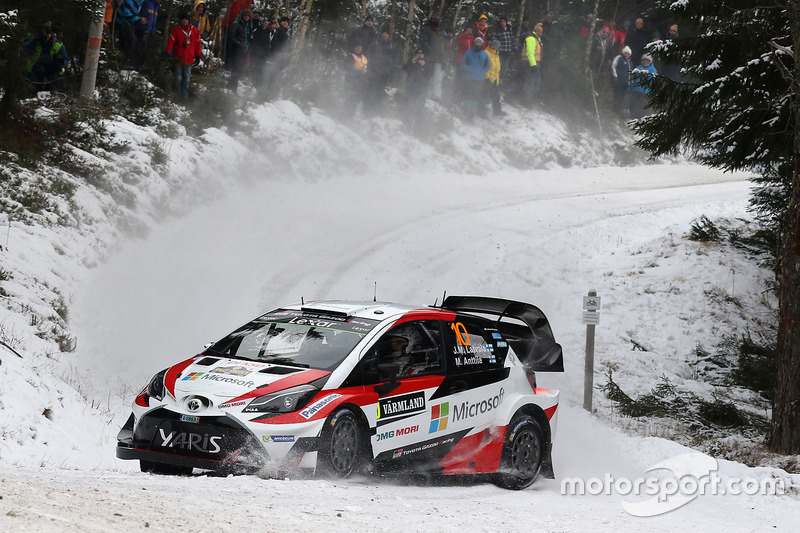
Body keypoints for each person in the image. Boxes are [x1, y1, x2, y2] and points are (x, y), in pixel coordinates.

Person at [165, 12, 202, 98]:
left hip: (189, 59)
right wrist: (168, 51)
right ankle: (178, 95)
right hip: (178, 58)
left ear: (189, 20)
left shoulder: (195, 31)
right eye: (182, 19)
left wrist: (198, 56)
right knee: (178, 77)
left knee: (186, 79)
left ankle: (185, 97)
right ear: (180, 20)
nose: (184, 21)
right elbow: (171, 41)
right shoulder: (176, 30)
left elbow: (198, 44)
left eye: (186, 19)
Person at [24, 25, 69, 93]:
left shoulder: (59, 45)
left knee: (53, 80)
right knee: (38, 73)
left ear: (49, 35)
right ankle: (37, 91)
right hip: (39, 65)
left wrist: (61, 62)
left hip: (54, 67)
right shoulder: (36, 42)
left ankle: (49, 93)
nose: (43, 40)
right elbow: (25, 48)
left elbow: (66, 59)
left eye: (44, 38)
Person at [364, 27, 396, 111]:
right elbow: (367, 56)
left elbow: (394, 62)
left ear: (389, 35)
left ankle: (377, 111)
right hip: (374, 71)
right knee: (370, 90)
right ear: (381, 34)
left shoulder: (392, 46)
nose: (384, 35)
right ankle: (366, 110)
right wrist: (368, 68)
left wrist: (392, 74)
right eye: (383, 33)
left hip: (384, 73)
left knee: (380, 92)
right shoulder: (375, 43)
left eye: (386, 33)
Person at [402, 48, 432, 132]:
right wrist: (412, 63)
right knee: (408, 108)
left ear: (424, 55)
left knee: (419, 110)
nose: (419, 56)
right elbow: (404, 68)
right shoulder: (412, 62)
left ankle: (418, 130)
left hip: (421, 90)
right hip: (410, 89)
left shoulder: (427, 63)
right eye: (418, 54)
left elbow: (430, 74)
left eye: (421, 54)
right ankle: (406, 126)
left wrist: (424, 65)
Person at [460, 36, 490, 119]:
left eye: (480, 42)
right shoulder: (468, 53)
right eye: (477, 42)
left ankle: (472, 113)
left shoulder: (484, 54)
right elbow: (463, 64)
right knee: (468, 94)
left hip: (479, 78)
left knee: (475, 96)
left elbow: (487, 65)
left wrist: (483, 71)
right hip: (469, 77)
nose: (478, 44)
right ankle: (466, 111)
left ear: (482, 44)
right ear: (474, 43)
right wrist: (469, 69)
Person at [418, 15, 444, 100]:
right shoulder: (427, 29)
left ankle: (427, 93)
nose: (435, 21)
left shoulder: (437, 32)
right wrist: (430, 50)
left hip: (434, 57)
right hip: (426, 55)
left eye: (437, 20)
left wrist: (438, 55)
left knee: (430, 75)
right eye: (434, 20)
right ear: (430, 20)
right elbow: (423, 41)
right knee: (425, 74)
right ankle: (422, 92)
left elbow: (438, 45)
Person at [227, 9, 251, 91]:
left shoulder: (247, 26)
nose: (247, 17)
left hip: (244, 51)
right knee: (235, 69)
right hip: (236, 50)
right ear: (242, 16)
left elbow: (247, 38)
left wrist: (248, 45)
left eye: (248, 16)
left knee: (240, 69)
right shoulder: (237, 24)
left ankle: (232, 87)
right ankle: (232, 88)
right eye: (245, 16)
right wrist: (239, 44)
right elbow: (231, 36)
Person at [113, 0, 144, 65]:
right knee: (130, 40)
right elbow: (126, 13)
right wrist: (139, 19)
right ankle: (123, 61)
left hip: (128, 23)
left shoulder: (139, 2)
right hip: (121, 21)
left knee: (130, 41)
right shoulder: (130, 1)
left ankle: (124, 61)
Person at [628, 53, 657, 119]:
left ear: (650, 61)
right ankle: (633, 118)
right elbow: (632, 78)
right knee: (633, 105)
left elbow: (653, 81)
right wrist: (630, 88)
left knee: (643, 107)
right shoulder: (638, 67)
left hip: (645, 92)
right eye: (644, 60)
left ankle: (641, 119)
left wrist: (652, 91)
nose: (645, 61)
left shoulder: (652, 70)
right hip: (635, 90)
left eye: (647, 60)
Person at [490, 16, 517, 86]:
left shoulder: (509, 30)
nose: (502, 23)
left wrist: (515, 49)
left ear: (506, 22)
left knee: (505, 68)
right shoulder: (497, 30)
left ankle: (501, 82)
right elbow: (493, 40)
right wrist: (495, 48)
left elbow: (513, 40)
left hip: (508, 52)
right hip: (500, 52)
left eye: (504, 21)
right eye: (501, 22)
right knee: (498, 67)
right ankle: (496, 82)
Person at [133, 0, 159, 70]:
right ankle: (134, 67)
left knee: (143, 52)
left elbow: (152, 19)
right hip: (141, 31)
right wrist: (142, 27)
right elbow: (142, 15)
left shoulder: (155, 6)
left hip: (148, 32)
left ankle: (137, 68)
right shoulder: (147, 3)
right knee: (138, 50)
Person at [521, 23, 542, 105]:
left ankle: (530, 99)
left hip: (534, 63)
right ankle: (526, 100)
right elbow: (530, 53)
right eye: (538, 31)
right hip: (529, 63)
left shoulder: (537, 39)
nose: (540, 33)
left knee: (534, 82)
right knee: (529, 82)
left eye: (541, 32)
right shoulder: (531, 38)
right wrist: (533, 65)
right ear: (535, 31)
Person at [610, 46, 633, 117]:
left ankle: (619, 110)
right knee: (617, 96)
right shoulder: (619, 58)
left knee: (622, 97)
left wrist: (630, 82)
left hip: (626, 84)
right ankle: (615, 110)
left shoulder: (630, 62)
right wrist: (615, 76)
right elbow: (613, 66)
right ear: (623, 52)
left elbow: (631, 73)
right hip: (618, 82)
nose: (627, 55)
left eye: (628, 54)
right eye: (626, 53)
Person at [483, 40, 503, 116]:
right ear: (491, 45)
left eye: (497, 46)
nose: (495, 47)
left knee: (496, 96)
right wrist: (487, 76)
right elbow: (484, 66)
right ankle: (482, 112)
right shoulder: (486, 53)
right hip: (488, 79)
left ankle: (497, 112)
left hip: (495, 79)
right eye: (494, 45)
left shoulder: (496, 54)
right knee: (484, 96)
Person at [344, 43, 369, 107]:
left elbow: (367, 67)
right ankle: (346, 114)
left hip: (362, 81)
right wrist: (360, 71)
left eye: (360, 47)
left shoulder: (363, 57)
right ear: (354, 48)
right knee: (351, 98)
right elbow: (348, 69)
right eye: (357, 47)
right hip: (352, 80)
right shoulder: (351, 56)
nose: (358, 49)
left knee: (359, 98)